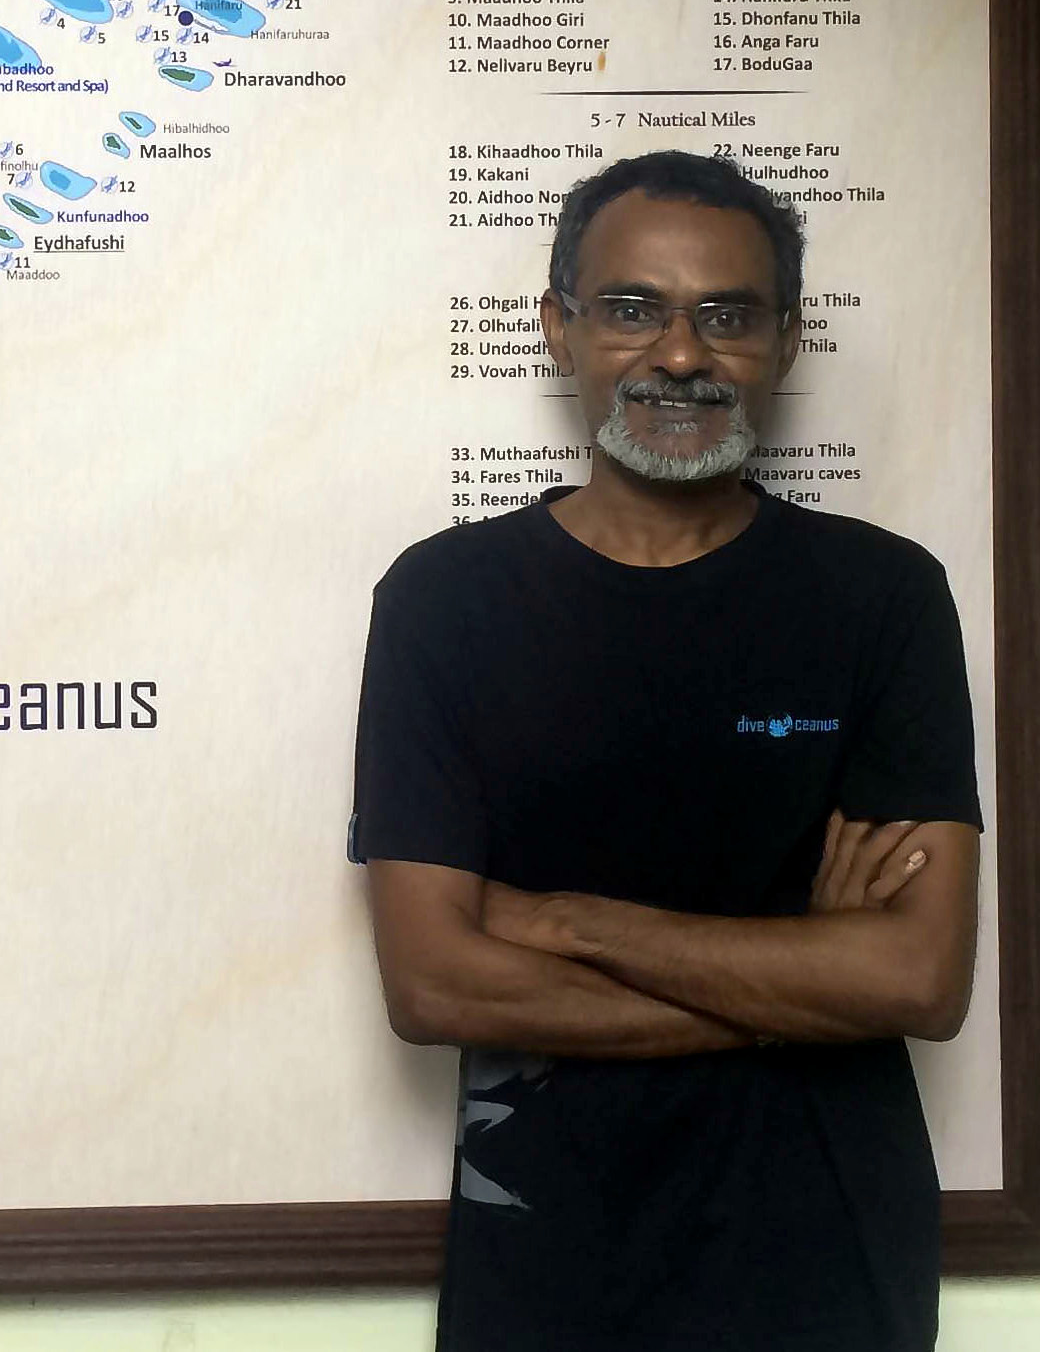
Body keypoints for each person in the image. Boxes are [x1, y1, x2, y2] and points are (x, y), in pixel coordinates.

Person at [350, 148, 983, 1352]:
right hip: (544, 1264)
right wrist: (805, 981)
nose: (680, 354)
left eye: (726, 316)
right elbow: (433, 984)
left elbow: (915, 981)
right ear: (559, 328)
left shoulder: (882, 597)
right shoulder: (442, 600)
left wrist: (562, 920)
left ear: (785, 340)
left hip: (828, 1265)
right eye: (631, 308)